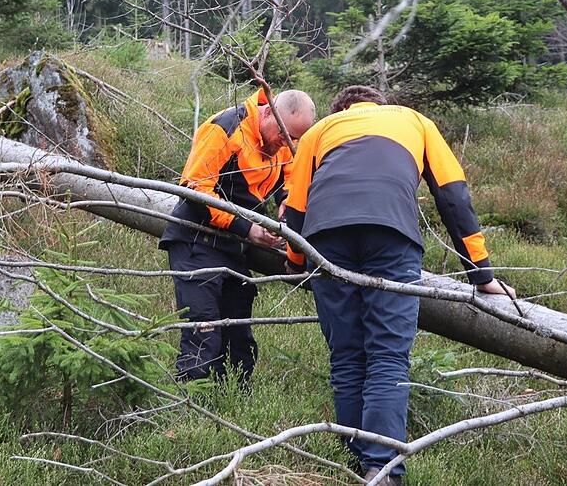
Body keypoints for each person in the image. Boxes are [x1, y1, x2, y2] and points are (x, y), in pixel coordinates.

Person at [282, 85, 515, 484]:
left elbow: (297, 204)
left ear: (342, 108)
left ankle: (354, 462)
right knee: (387, 355)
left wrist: (296, 261)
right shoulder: (414, 121)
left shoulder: (321, 129)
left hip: (327, 239)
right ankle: (382, 470)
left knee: (346, 356)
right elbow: (453, 196)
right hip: (391, 234)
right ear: (379, 104)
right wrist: (482, 274)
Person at [159, 87, 316, 385]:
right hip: (197, 240)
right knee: (203, 335)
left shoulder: (284, 143)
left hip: (234, 249)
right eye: (284, 135)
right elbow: (193, 189)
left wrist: (286, 214)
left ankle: (231, 410)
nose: (287, 143)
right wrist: (248, 229)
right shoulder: (226, 127)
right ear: (268, 112)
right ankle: (188, 417)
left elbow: (293, 184)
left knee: (239, 343)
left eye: (295, 139)